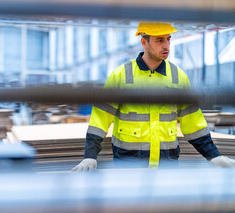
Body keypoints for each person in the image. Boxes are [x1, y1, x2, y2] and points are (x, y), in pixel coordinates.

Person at [72, 22, 235, 171]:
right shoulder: (121, 75)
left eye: (168, 39)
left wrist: (214, 155)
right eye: (159, 40)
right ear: (144, 42)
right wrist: (90, 156)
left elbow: (194, 124)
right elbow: (100, 120)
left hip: (167, 166)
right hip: (129, 167)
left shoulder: (178, 77)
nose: (167, 46)